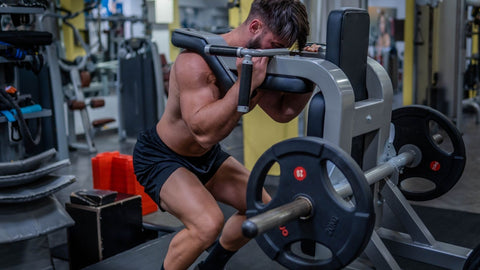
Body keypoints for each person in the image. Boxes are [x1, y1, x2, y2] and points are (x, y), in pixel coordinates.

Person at [133, 1, 311, 269]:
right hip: (162, 157)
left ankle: (212, 265)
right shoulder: (195, 62)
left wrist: (309, 80)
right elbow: (203, 132)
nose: (275, 53)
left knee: (264, 210)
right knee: (207, 224)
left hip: (207, 157)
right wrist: (244, 85)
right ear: (254, 27)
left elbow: (282, 111)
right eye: (274, 43)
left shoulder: (262, 55)